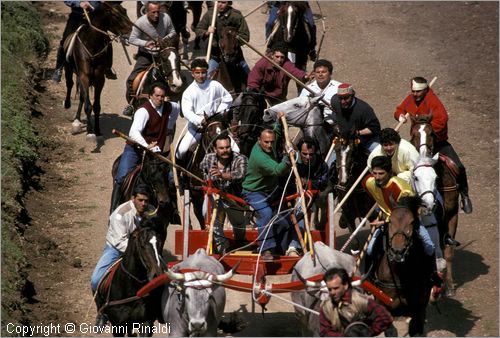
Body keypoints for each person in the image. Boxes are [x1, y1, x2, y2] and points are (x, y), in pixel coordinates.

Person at [362, 156, 443, 299]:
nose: (377, 177)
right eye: (374, 173)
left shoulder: (401, 187)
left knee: (429, 245)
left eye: (381, 174)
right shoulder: (369, 182)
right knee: (369, 249)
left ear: (389, 173)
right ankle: (368, 279)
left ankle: (433, 279)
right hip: (388, 220)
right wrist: (379, 215)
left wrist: (385, 222)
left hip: (408, 221)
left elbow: (407, 213)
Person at [394, 76, 472, 214]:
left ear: (425, 90)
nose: (415, 94)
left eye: (418, 92)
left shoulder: (433, 101)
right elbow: (400, 109)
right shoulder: (410, 98)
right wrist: (400, 115)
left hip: (437, 143)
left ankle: (464, 195)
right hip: (417, 143)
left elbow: (442, 120)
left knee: (459, 166)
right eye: (413, 91)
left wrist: (428, 130)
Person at [110, 82, 180, 213]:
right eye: (157, 96)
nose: (160, 99)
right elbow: (134, 133)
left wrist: (169, 127)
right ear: (150, 96)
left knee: (171, 177)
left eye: (162, 96)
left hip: (155, 154)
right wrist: (147, 146)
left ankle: (173, 211)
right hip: (135, 150)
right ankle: (113, 212)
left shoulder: (169, 107)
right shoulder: (143, 111)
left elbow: (177, 109)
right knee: (121, 177)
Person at [91, 185, 152, 328]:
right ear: (133, 199)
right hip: (116, 250)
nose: (143, 204)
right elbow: (119, 242)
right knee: (95, 280)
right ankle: (102, 312)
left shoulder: (149, 211)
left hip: (141, 251)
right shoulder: (120, 214)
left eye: (146, 201)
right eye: (140, 200)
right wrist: (137, 252)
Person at [242, 116, 299, 261]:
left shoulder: (270, 141)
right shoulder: (259, 157)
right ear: (259, 141)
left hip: (271, 190)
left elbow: (276, 132)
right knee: (266, 214)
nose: (269, 145)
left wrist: (280, 121)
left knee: (285, 218)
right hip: (254, 192)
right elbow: (277, 170)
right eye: (266, 142)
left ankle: (281, 248)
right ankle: (265, 249)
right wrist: (288, 157)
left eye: (271, 142)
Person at [175, 58, 237, 164]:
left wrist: (219, 112)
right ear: (192, 73)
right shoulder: (188, 92)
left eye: (203, 72)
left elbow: (228, 98)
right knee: (182, 150)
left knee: (236, 150)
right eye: (197, 73)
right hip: (197, 129)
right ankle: (182, 175)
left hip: (216, 127)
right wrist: (199, 120)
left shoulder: (215, 85)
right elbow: (186, 111)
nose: (200, 75)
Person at [122, 1, 177, 116]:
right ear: (147, 11)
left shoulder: (166, 18)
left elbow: (173, 32)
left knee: (175, 70)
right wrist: (146, 43)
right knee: (132, 79)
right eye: (153, 12)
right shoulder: (140, 22)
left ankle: (176, 95)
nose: (157, 15)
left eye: (158, 12)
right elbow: (132, 39)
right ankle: (131, 103)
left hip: (163, 53)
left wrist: (164, 39)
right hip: (146, 55)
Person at [200, 134, 248, 254]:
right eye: (221, 148)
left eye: (227, 147)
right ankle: (223, 246)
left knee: (238, 223)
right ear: (215, 149)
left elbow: (240, 175)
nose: (225, 150)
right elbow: (201, 169)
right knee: (208, 214)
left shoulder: (240, 158)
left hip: (233, 197)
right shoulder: (208, 158)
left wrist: (222, 175)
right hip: (214, 195)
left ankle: (240, 241)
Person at [319, 267, 395, 337]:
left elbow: (385, 318)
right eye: (330, 289)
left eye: (336, 288)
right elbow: (324, 332)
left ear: (345, 285)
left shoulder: (361, 301)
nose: (332, 292)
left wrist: (368, 332)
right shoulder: (326, 308)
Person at [52, 1, 116, 83]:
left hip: (96, 17)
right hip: (77, 17)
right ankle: (59, 68)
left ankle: (108, 68)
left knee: (107, 40)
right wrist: (79, 3)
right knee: (65, 39)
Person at [328, 83, 381, 166]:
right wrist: (336, 126)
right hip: (344, 140)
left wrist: (357, 133)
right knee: (329, 164)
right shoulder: (334, 101)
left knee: (380, 157)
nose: (343, 101)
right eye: (340, 98)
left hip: (366, 140)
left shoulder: (364, 109)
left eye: (346, 98)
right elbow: (335, 113)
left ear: (352, 95)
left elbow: (375, 128)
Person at [195, 1, 251, 77]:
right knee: (207, 77)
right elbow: (198, 29)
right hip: (215, 55)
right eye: (218, 2)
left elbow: (245, 36)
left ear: (229, 3)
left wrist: (232, 42)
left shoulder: (236, 16)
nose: (220, 5)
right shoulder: (210, 14)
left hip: (234, 55)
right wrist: (207, 32)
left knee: (249, 76)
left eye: (223, 2)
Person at [299, 59, 342, 126]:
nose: (320, 74)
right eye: (318, 72)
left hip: (334, 125)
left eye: (323, 72)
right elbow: (300, 108)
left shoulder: (339, 88)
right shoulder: (307, 89)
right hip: (311, 125)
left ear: (330, 73)